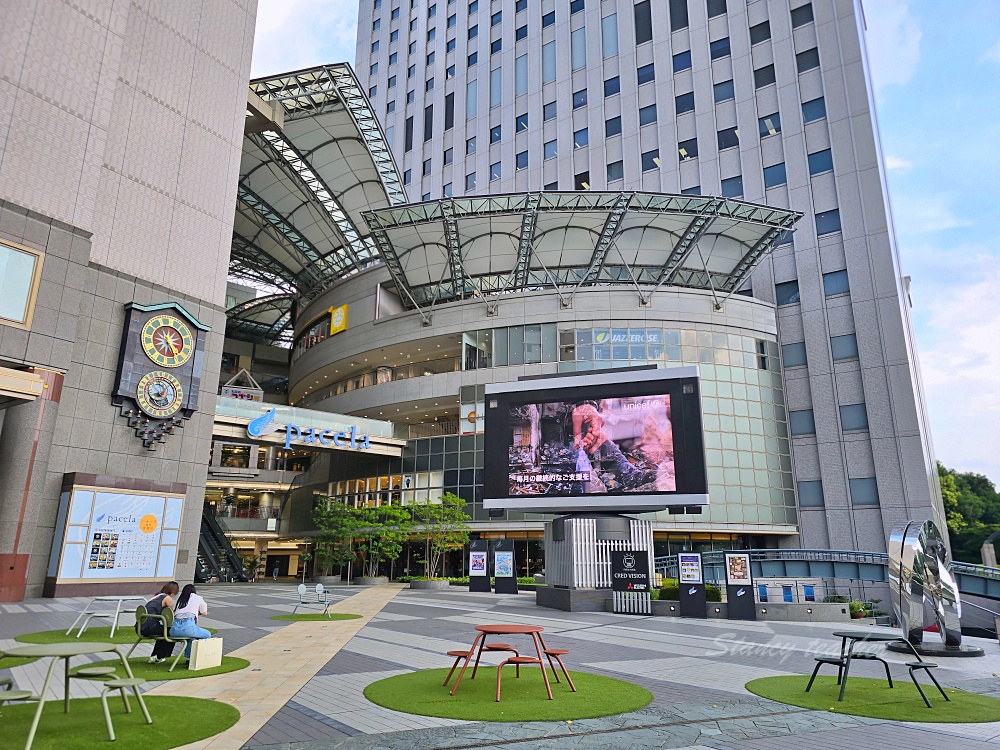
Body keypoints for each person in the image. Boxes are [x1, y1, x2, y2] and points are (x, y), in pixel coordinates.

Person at [168, 584, 211, 663]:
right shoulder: (198, 598)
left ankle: (189, 658)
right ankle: (194, 657)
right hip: (188, 627)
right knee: (207, 634)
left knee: (191, 638)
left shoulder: (180, 599)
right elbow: (204, 612)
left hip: (174, 631)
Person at [140, 581, 178, 664]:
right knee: (172, 632)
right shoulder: (167, 598)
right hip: (149, 627)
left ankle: (155, 655)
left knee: (163, 632)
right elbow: (171, 609)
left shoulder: (155, 596)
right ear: (173, 592)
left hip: (140, 626)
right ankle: (159, 656)